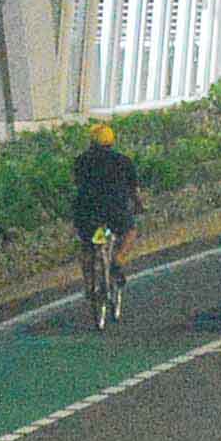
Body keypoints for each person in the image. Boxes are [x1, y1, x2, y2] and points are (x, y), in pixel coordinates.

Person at [69, 128, 141, 328]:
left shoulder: (81, 161)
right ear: (111, 141)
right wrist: (139, 205)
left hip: (87, 210)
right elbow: (134, 191)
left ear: (92, 142)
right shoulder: (124, 161)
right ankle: (118, 259)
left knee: (86, 245)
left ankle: (89, 283)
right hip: (115, 208)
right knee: (130, 231)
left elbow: (77, 184)